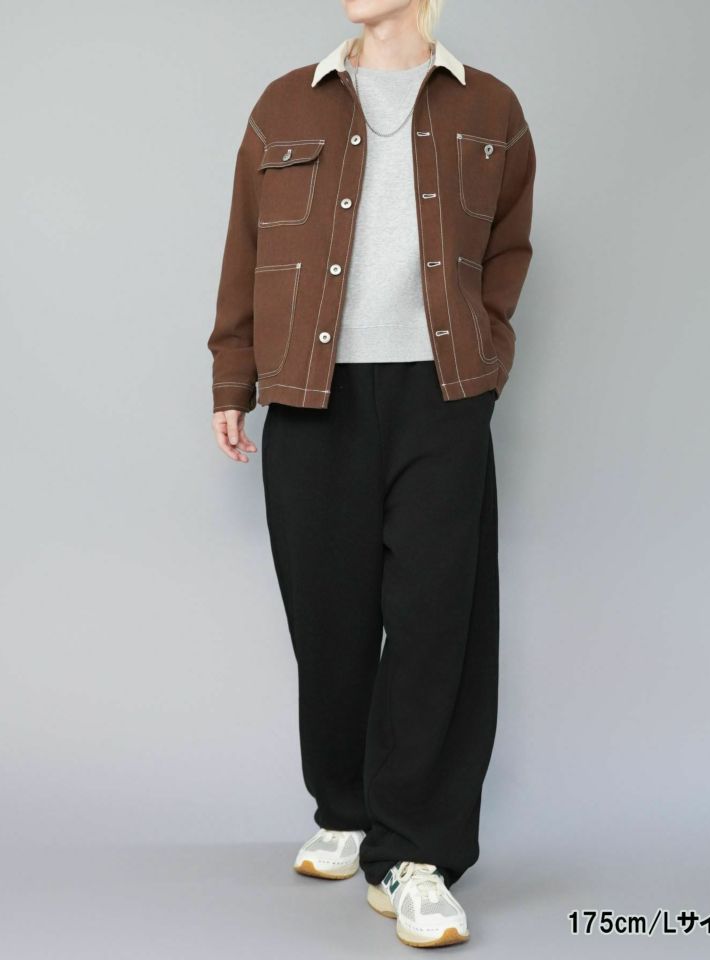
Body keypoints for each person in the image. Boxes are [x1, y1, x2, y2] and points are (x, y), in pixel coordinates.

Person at [206, 0, 535, 947]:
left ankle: (417, 855)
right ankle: (347, 810)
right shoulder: (285, 104)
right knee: (330, 622)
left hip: (441, 396)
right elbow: (246, 248)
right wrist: (234, 378)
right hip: (314, 400)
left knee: (436, 626)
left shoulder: (491, 109)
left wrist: (484, 361)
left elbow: (507, 252)